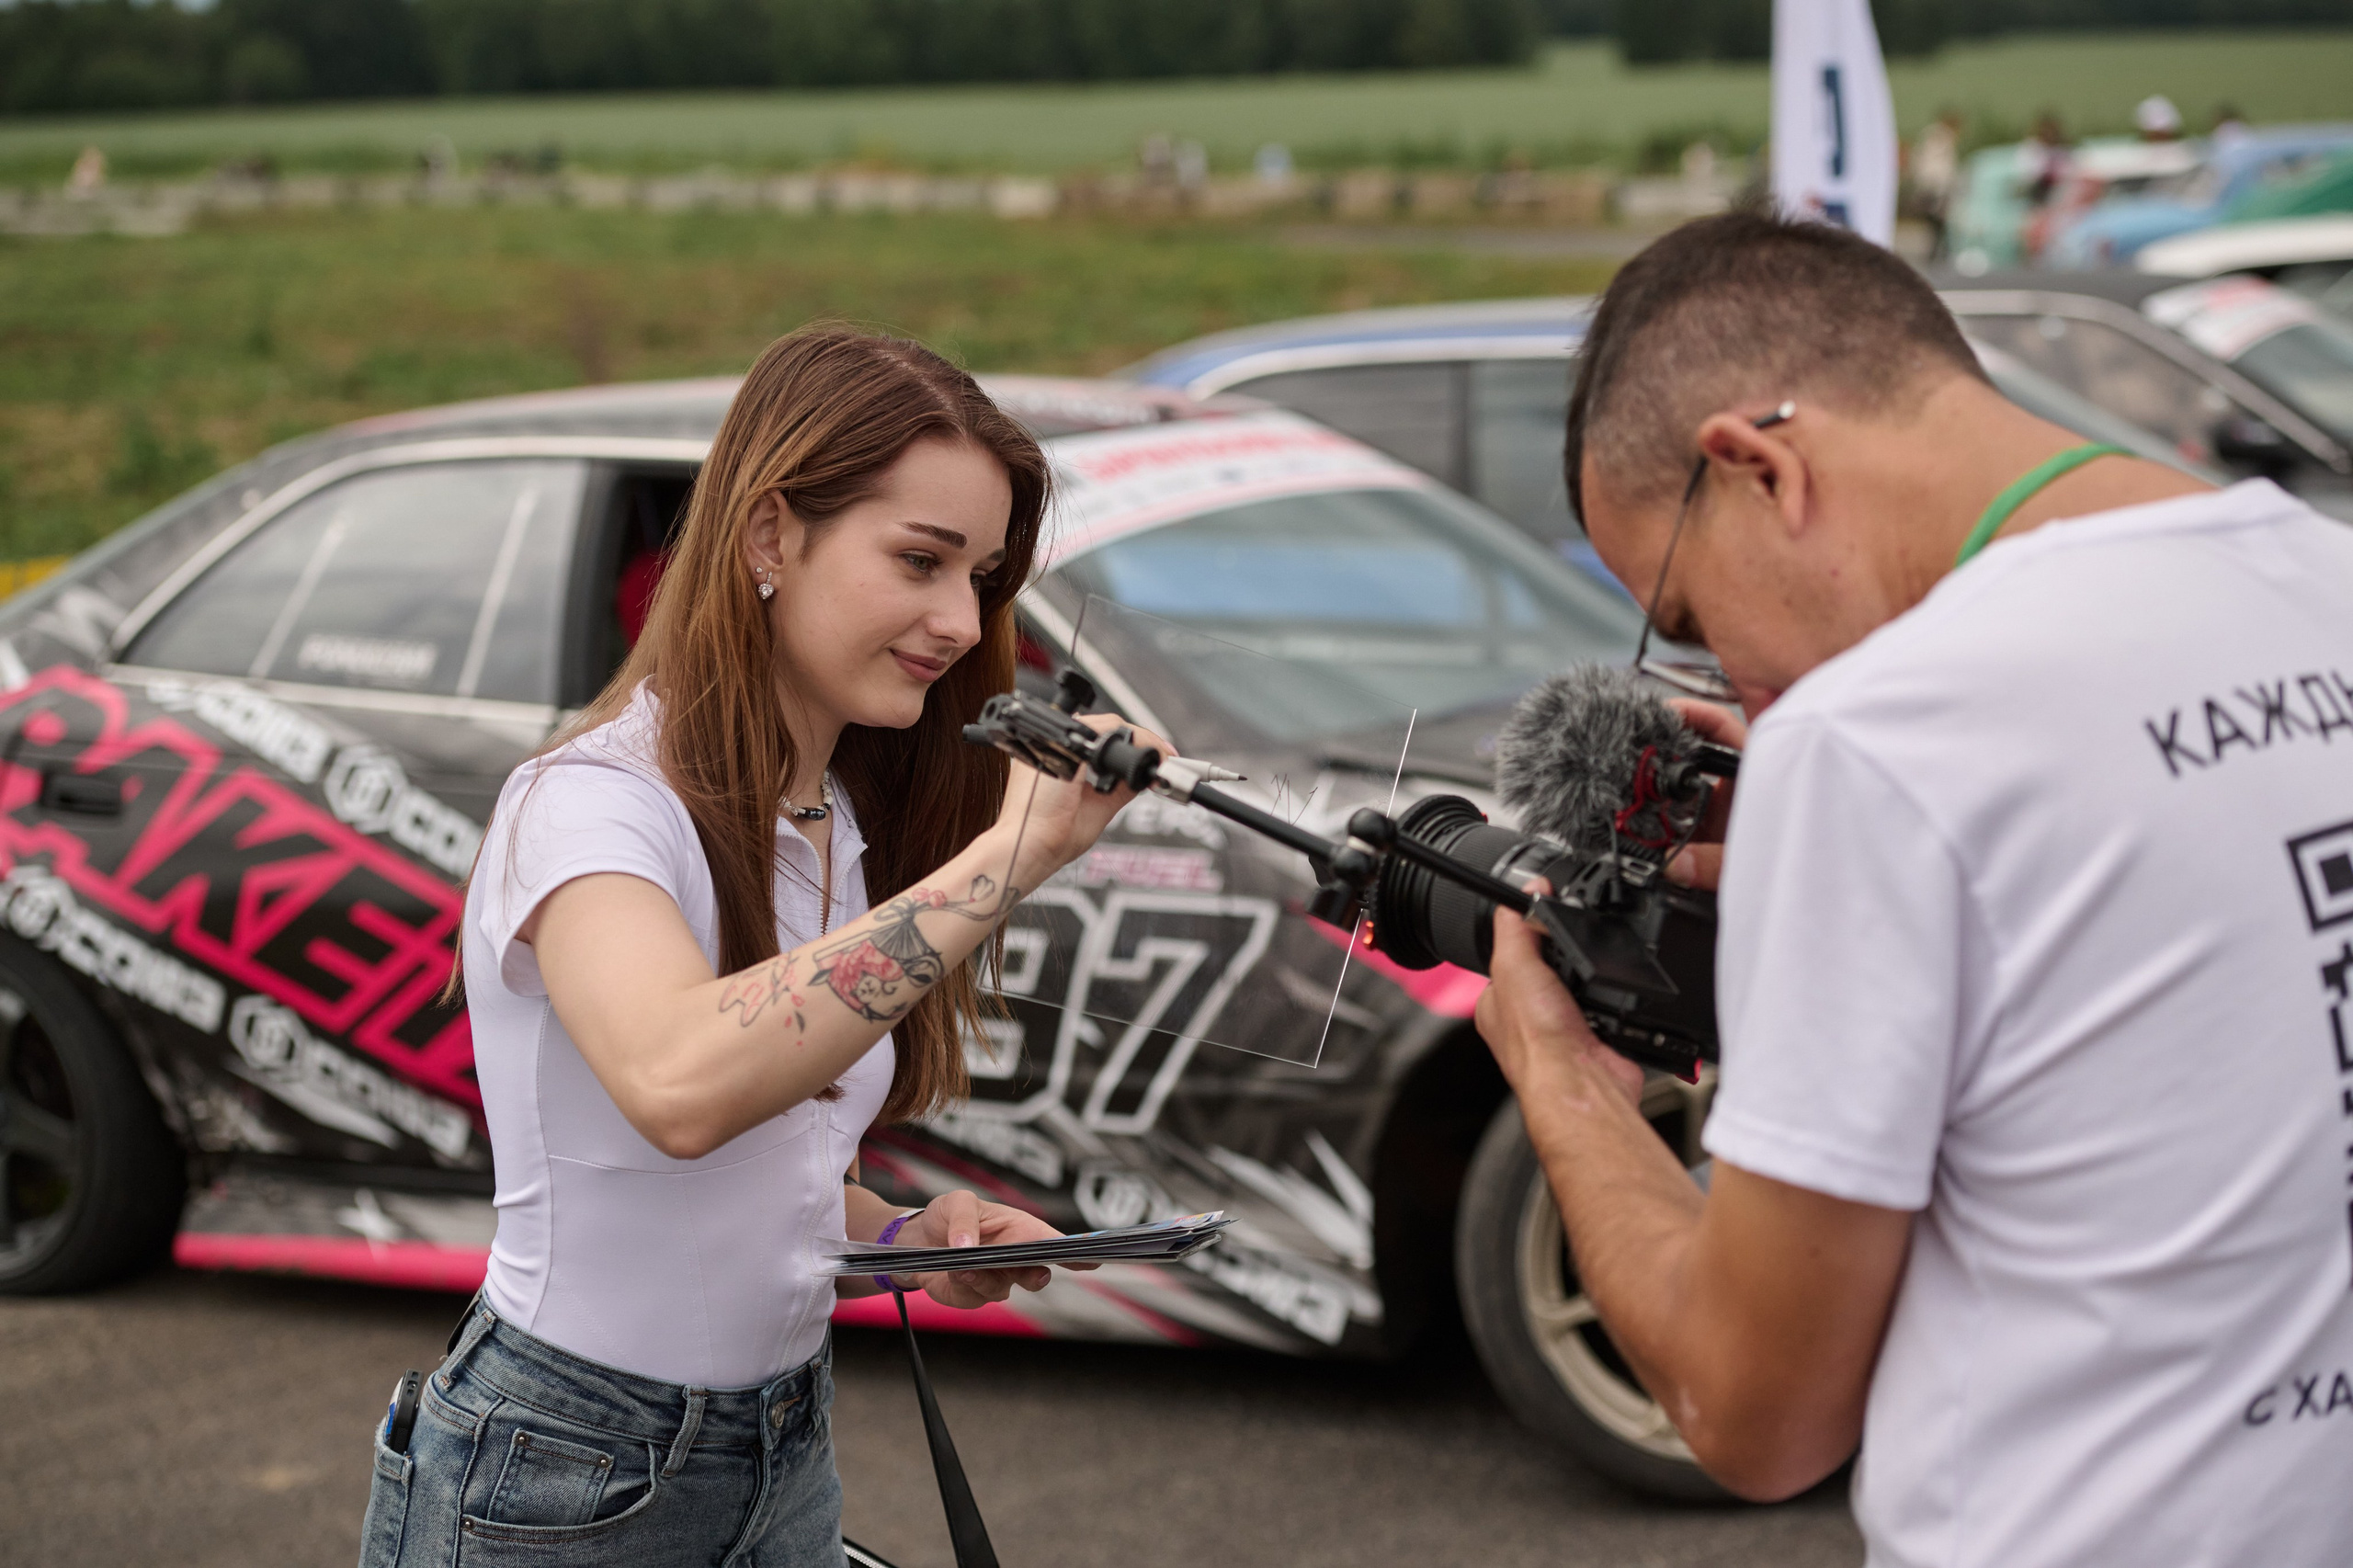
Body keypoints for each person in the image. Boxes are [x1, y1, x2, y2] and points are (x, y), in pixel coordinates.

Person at [1475, 211, 2353, 1566]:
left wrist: (1564, 1082)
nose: (1724, 685)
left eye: (1688, 619)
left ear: (1758, 467)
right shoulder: (2320, 572)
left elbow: (1754, 1416)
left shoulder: (1884, 740)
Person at [359, 327, 1161, 1567]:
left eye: (983, 577)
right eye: (920, 561)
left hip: (783, 1443)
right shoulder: (588, 804)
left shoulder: (832, 813)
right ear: (770, 535)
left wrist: (902, 1236)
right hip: (563, 1465)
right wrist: (1008, 859)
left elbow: (735, 1188)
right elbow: (678, 1084)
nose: (959, 618)